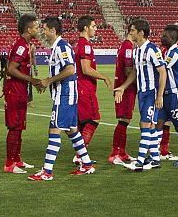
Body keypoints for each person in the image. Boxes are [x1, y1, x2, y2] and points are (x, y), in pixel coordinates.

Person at [28, 17, 95, 181]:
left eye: (45, 29)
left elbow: (70, 70)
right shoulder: (57, 47)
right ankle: (87, 164)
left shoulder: (61, 47)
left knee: (54, 130)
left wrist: (49, 81)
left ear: (53, 30)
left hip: (65, 95)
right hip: (66, 94)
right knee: (72, 130)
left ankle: (47, 172)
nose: (43, 32)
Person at [113, 19, 166, 171]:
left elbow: (163, 72)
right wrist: (123, 87)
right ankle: (155, 159)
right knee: (150, 126)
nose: (131, 33)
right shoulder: (136, 50)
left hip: (151, 93)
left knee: (145, 125)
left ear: (141, 33)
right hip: (142, 92)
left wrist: (160, 95)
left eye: (133, 30)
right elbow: (135, 72)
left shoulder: (152, 50)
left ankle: (140, 162)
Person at [4, 14, 41, 174]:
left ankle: (17, 159)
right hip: (15, 91)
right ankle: (9, 163)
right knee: (15, 126)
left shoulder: (24, 44)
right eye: (36, 27)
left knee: (19, 125)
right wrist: (32, 80)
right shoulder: (21, 46)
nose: (38, 30)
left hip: (19, 90)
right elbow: (11, 69)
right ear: (29, 29)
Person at [73, 15, 111, 163]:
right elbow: (86, 69)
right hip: (85, 88)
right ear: (86, 27)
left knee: (82, 122)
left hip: (80, 87)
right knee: (94, 118)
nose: (96, 29)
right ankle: (80, 155)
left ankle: (80, 155)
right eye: (93, 26)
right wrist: (104, 77)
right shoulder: (85, 45)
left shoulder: (80, 44)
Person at [156, 25, 178, 167]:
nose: (161, 38)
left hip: (176, 94)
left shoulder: (174, 53)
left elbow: (162, 68)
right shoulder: (168, 52)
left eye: (164, 36)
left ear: (171, 38)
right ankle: (154, 155)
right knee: (158, 123)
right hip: (165, 94)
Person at [109, 25, 136, 165]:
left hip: (123, 87)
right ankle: (116, 153)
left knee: (125, 120)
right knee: (123, 120)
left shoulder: (124, 46)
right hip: (125, 89)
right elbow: (128, 70)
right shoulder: (128, 47)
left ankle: (122, 152)